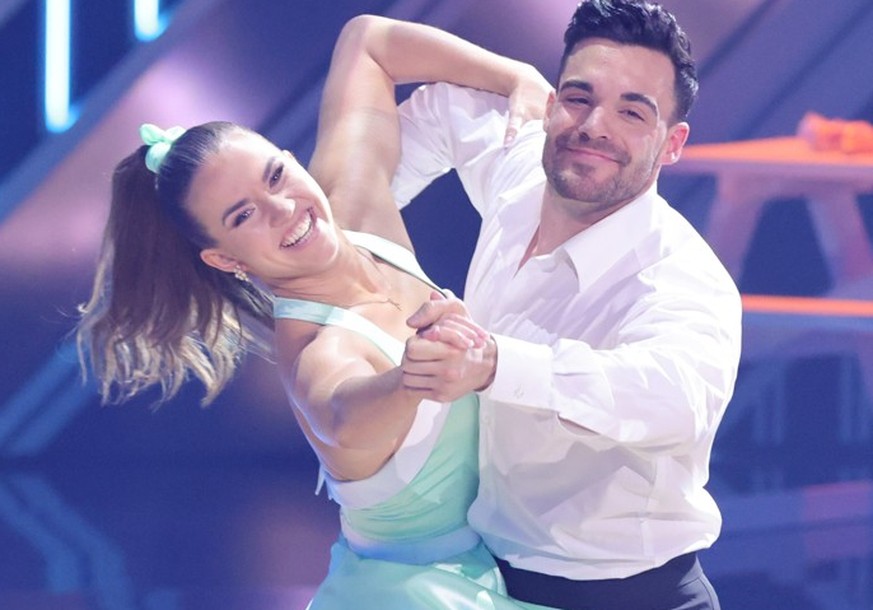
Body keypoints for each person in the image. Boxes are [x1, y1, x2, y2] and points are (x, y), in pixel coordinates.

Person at [76, 14, 556, 610]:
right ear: (225, 260)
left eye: (276, 175)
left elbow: (367, 41)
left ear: (290, 157)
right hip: (419, 594)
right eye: (243, 216)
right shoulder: (316, 349)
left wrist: (520, 77)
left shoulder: (354, 213)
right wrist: (409, 377)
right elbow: (340, 412)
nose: (283, 209)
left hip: (500, 558)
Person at [356, 2, 743, 609]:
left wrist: (494, 365)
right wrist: (353, 247)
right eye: (579, 96)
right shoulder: (520, 169)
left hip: (635, 595)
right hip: (487, 580)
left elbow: (671, 400)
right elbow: (431, 103)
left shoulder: (682, 279)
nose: (594, 126)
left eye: (632, 112)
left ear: (672, 145)